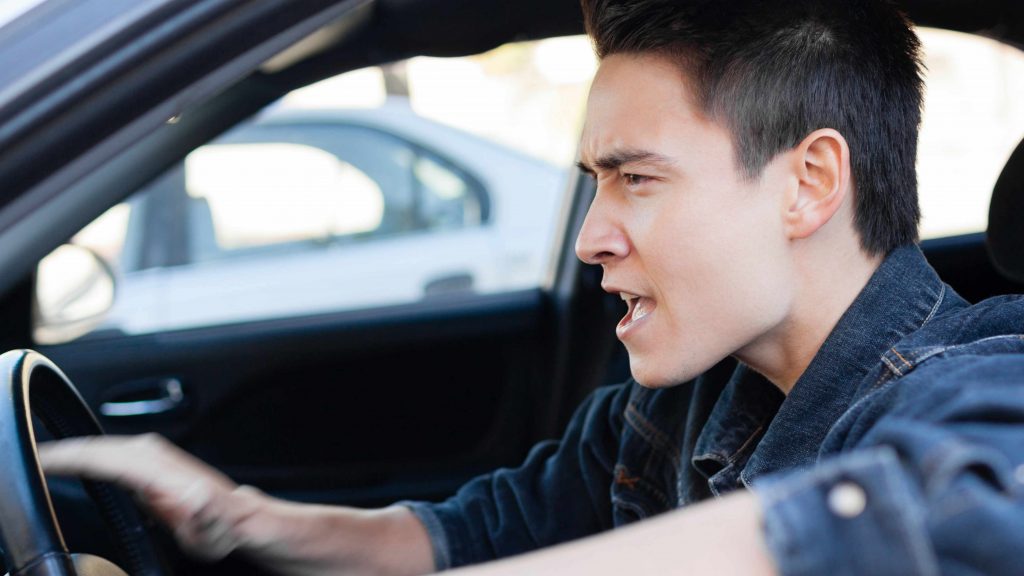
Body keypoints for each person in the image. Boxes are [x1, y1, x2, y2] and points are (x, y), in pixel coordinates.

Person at [41, 0, 1024, 574]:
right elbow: (463, 537)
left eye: (636, 178)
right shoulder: (675, 406)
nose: (594, 237)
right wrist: (239, 519)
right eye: (593, 184)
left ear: (807, 183)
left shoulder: (977, 378)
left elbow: (960, 505)